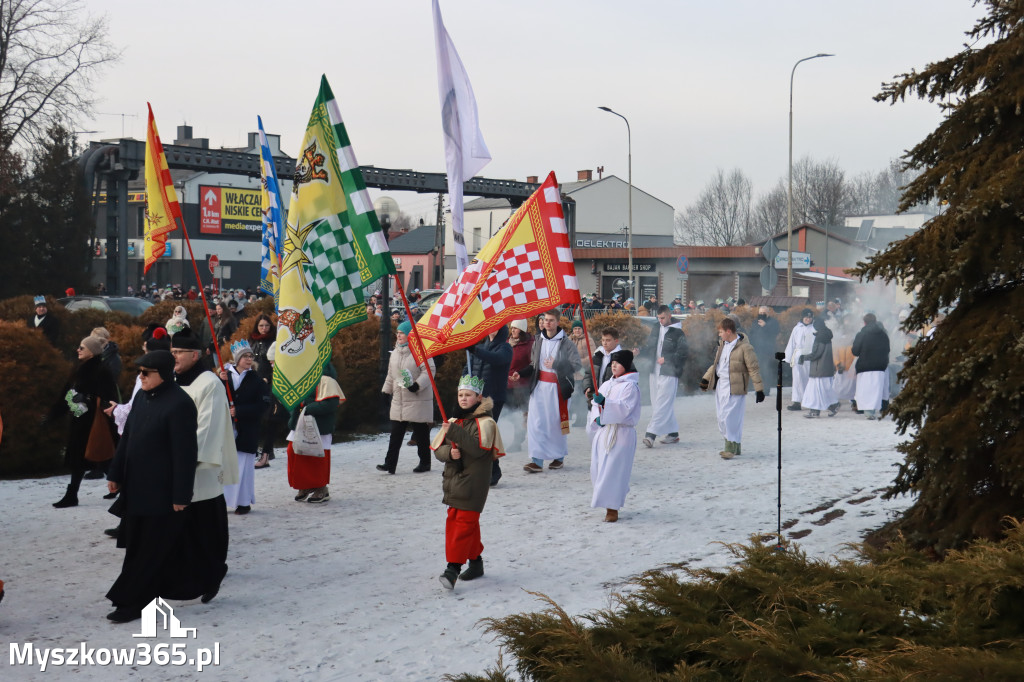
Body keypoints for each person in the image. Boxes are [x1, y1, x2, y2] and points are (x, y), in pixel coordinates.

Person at [104, 350, 198, 623]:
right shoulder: (143, 397)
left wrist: (181, 494)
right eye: (139, 372)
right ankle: (137, 597)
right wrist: (115, 473)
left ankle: (133, 603)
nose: (140, 377)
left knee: (150, 550)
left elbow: (185, 454)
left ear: (164, 374)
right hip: (135, 489)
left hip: (162, 493)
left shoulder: (180, 404)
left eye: (146, 373)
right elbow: (128, 439)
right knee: (136, 546)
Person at [170, 329, 238, 603]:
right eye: (171, 352)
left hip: (201, 468)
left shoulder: (209, 383)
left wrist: (181, 460)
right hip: (174, 467)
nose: (173, 357)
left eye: (178, 353)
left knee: (206, 529)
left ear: (194, 355)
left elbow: (206, 430)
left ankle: (212, 574)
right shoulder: (172, 380)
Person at [430, 374, 504, 590]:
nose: (463, 399)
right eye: (460, 395)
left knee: (462, 525)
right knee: (461, 521)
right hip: (453, 482)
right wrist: (448, 454)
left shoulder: (487, 423)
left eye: (468, 395)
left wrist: (454, 432)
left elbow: (477, 449)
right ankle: (476, 563)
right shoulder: (453, 421)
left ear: (479, 397)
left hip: (473, 484)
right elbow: (438, 450)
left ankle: (452, 569)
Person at [49, 335, 120, 508]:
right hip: (80, 422)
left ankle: (125, 491)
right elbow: (67, 394)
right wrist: (53, 414)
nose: (78, 350)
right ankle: (71, 495)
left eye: (82, 347)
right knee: (79, 460)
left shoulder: (102, 370)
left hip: (96, 423)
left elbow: (109, 397)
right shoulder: (78, 369)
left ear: (92, 351)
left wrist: (88, 398)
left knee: (103, 459)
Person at [512, 310, 581, 472]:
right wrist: (520, 373)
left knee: (555, 424)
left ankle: (558, 457)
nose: (547, 323)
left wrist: (556, 364)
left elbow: (576, 365)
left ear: (558, 322)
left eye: (551, 320)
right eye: (545, 320)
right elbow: (534, 365)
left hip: (557, 389)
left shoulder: (566, 343)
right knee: (535, 423)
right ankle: (537, 460)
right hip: (539, 387)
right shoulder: (538, 340)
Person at [587, 349, 640, 523]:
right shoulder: (606, 384)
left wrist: (606, 403)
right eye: (613, 363)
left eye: (618, 363)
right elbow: (596, 405)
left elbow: (625, 408)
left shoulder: (630, 386)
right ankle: (606, 501)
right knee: (599, 469)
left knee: (614, 471)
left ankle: (613, 508)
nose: (614, 366)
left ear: (626, 365)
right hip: (605, 431)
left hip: (621, 433)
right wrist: (598, 416)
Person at [700, 317, 765, 459]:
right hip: (721, 387)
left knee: (730, 418)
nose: (719, 334)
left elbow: (753, 369)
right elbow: (716, 365)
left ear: (729, 331)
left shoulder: (745, 348)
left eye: (721, 332)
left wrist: (759, 389)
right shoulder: (722, 345)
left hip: (736, 387)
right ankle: (736, 446)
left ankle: (729, 449)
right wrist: (706, 378)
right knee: (721, 418)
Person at [378, 320, 436, 474]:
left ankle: (425, 463)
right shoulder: (396, 352)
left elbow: (429, 370)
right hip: (399, 399)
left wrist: (417, 385)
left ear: (410, 335)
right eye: (397, 333)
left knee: (421, 435)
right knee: (395, 434)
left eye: (402, 333)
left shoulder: (421, 351)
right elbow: (392, 374)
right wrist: (386, 392)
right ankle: (389, 464)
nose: (398, 335)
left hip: (418, 398)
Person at [219, 341, 270, 514]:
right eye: (245, 356)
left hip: (247, 429)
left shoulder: (256, 379)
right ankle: (223, 500)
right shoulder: (225, 377)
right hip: (227, 429)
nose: (249, 359)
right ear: (237, 359)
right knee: (226, 466)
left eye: (250, 356)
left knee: (244, 467)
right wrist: (219, 379)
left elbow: (263, 405)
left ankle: (243, 501)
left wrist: (240, 411)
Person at [286, 362, 344, 502]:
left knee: (317, 458)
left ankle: (320, 488)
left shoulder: (326, 378)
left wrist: (307, 407)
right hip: (300, 424)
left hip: (319, 426)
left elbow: (330, 404)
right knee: (294, 452)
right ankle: (304, 485)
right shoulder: (301, 374)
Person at [465, 325, 512, 486]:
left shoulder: (505, 348)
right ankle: (485, 470)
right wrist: (464, 387)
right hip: (477, 398)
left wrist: (475, 350)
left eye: (496, 327)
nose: (492, 329)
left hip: (494, 398)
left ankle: (493, 471)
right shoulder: (479, 347)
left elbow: (496, 359)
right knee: (477, 435)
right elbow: (467, 369)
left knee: (485, 434)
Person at [636, 306, 688, 448]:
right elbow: (649, 346)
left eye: (663, 318)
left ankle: (650, 435)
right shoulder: (656, 328)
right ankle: (673, 433)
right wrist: (639, 351)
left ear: (669, 315)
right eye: (658, 318)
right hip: (654, 370)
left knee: (662, 403)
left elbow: (683, 353)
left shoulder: (678, 332)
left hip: (670, 372)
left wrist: (668, 359)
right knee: (658, 404)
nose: (661, 321)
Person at [249, 314, 278, 468]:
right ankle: (253, 448)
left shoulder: (274, 341)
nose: (264, 328)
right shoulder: (253, 340)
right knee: (255, 417)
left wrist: (268, 378)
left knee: (269, 418)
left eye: (266, 325)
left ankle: (268, 451)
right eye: (261, 326)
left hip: (270, 382)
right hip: (255, 383)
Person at [851, 313, 891, 420]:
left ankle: (867, 410)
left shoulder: (862, 334)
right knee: (875, 390)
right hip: (880, 366)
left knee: (864, 389)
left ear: (864, 322)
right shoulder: (883, 334)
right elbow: (887, 350)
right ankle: (872, 410)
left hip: (865, 366)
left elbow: (855, 351)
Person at [799, 316, 838, 418]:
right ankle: (832, 406)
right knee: (823, 390)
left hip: (818, 369)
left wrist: (804, 357)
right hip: (826, 368)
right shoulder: (827, 336)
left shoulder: (820, 337)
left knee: (815, 391)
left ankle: (817, 411)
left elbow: (817, 353)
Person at [505, 319, 534, 451]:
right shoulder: (507, 343)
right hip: (506, 384)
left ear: (522, 330)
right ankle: (509, 436)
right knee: (509, 414)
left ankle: (517, 441)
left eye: (516, 328)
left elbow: (532, 365)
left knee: (521, 414)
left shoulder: (529, 344)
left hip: (522, 385)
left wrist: (520, 374)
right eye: (512, 328)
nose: (513, 331)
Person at [783, 309, 815, 411]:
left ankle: (810, 401)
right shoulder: (797, 329)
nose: (808, 319)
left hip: (810, 356)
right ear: (802, 317)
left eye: (810, 317)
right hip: (798, 355)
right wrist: (788, 357)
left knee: (810, 379)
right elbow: (792, 343)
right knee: (797, 379)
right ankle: (797, 401)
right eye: (806, 317)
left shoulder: (814, 328)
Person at [747, 307, 780, 396]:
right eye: (760, 312)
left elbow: (775, 332)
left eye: (764, 312)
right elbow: (751, 335)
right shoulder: (755, 322)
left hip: (767, 351)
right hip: (757, 350)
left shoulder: (773, 322)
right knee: (758, 371)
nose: (762, 314)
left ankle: (766, 389)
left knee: (766, 370)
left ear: (768, 313)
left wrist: (765, 326)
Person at [584, 327, 623, 400]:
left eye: (608, 340)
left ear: (616, 341)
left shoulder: (622, 357)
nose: (604, 343)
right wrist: (588, 387)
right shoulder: (597, 356)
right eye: (603, 340)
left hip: (613, 399)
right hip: (596, 398)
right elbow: (588, 374)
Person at [569, 321, 591, 427]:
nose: (577, 331)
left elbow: (592, 354)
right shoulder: (569, 340)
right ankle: (578, 418)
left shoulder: (588, 339)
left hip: (583, 372)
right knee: (575, 397)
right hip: (572, 373)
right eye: (575, 329)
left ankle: (583, 418)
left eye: (579, 328)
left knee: (581, 396)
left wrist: (579, 362)